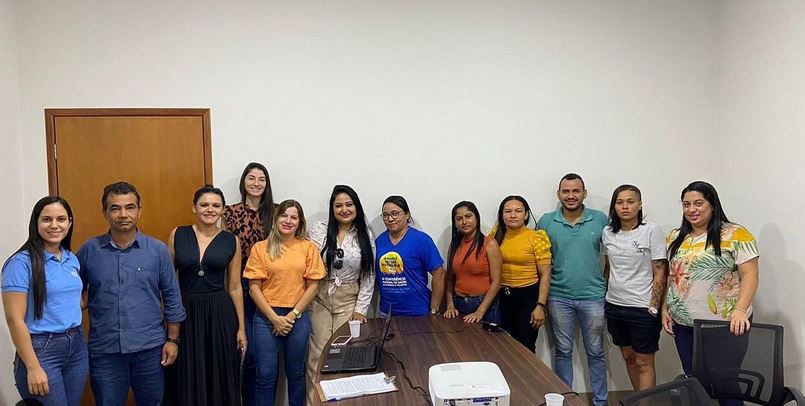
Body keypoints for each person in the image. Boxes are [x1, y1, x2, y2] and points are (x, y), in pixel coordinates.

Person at [78, 182, 185, 406]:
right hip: (105, 351)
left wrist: (173, 340)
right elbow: (73, 294)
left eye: (130, 207)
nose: (123, 214)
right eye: (115, 208)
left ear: (139, 211)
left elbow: (172, 297)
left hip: (150, 350)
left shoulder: (158, 251)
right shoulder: (89, 251)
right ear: (105, 213)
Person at [662, 181, 758, 406]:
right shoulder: (675, 236)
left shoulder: (736, 234)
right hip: (684, 323)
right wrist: (666, 307)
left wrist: (740, 310)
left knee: (726, 383)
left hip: (725, 323)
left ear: (712, 205)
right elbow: (672, 276)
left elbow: (750, 276)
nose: (691, 210)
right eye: (686, 204)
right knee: (694, 381)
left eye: (698, 203)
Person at [2, 196, 88, 406]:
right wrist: (32, 367)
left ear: (69, 222)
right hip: (42, 350)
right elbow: (15, 320)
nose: (54, 225)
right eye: (47, 219)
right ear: (36, 223)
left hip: (76, 346)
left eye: (61, 219)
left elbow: (72, 301)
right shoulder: (20, 263)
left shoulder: (71, 259)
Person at [165, 186, 247, 405]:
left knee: (218, 371)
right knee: (185, 371)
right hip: (185, 313)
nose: (210, 209)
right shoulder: (177, 234)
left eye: (216, 205)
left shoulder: (231, 240)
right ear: (194, 207)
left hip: (219, 314)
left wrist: (241, 328)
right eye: (204, 205)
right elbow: (168, 282)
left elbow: (235, 287)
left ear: (222, 210)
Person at [536, 173, 608, 406]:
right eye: (565, 191)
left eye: (576, 191)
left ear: (584, 193)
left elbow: (613, 255)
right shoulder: (546, 222)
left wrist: (605, 284)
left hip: (594, 297)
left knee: (596, 352)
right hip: (558, 296)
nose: (570, 196)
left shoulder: (600, 220)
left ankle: (600, 401)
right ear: (558, 194)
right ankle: (566, 400)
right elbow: (538, 259)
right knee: (563, 351)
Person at [244, 199, 325, 406]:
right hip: (265, 318)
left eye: (293, 217)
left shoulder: (308, 248)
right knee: (265, 377)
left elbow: (313, 286)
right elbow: (253, 288)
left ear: (300, 222)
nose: (288, 221)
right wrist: (274, 318)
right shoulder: (260, 248)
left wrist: (291, 315)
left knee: (296, 374)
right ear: (276, 218)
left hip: (297, 317)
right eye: (284, 215)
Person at [305, 185, 375, 405]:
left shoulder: (365, 234)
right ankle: (314, 402)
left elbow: (369, 274)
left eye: (348, 204)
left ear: (356, 207)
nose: (344, 209)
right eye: (338, 205)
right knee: (317, 354)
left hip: (348, 299)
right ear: (332, 208)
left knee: (343, 352)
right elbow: (307, 260)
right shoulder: (319, 229)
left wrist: (360, 309)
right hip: (320, 297)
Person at [602, 185, 667, 391]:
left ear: (639, 205)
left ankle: (646, 403)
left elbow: (660, 271)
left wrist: (654, 307)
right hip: (615, 305)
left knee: (643, 362)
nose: (625, 206)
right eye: (620, 202)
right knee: (629, 357)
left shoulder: (651, 230)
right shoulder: (608, 232)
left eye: (630, 202)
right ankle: (638, 401)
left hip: (642, 307)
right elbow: (608, 268)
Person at [222, 162, 274, 406]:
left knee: (264, 355)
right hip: (239, 287)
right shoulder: (229, 213)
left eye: (261, 179)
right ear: (243, 182)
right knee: (246, 352)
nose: (256, 183)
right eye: (251, 178)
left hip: (270, 289)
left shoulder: (276, 212)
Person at [487, 196, 552, 351]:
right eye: (508, 211)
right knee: (503, 347)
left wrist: (540, 306)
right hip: (501, 298)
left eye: (518, 211)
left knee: (525, 347)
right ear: (502, 215)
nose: (513, 215)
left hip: (527, 298)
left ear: (526, 214)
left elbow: (545, 275)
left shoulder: (536, 237)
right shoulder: (495, 235)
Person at [375, 195, 445, 316]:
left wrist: (434, 308)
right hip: (386, 313)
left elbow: (439, 273)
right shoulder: (378, 242)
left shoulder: (421, 240)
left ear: (407, 214)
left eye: (395, 214)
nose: (390, 219)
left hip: (417, 313)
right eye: (385, 215)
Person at [444, 201, 503, 324]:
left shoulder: (490, 244)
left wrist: (480, 312)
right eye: (459, 219)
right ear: (455, 223)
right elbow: (449, 279)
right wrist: (450, 305)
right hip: (459, 304)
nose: (464, 222)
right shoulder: (454, 246)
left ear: (476, 217)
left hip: (485, 306)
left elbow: (497, 282)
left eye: (468, 216)